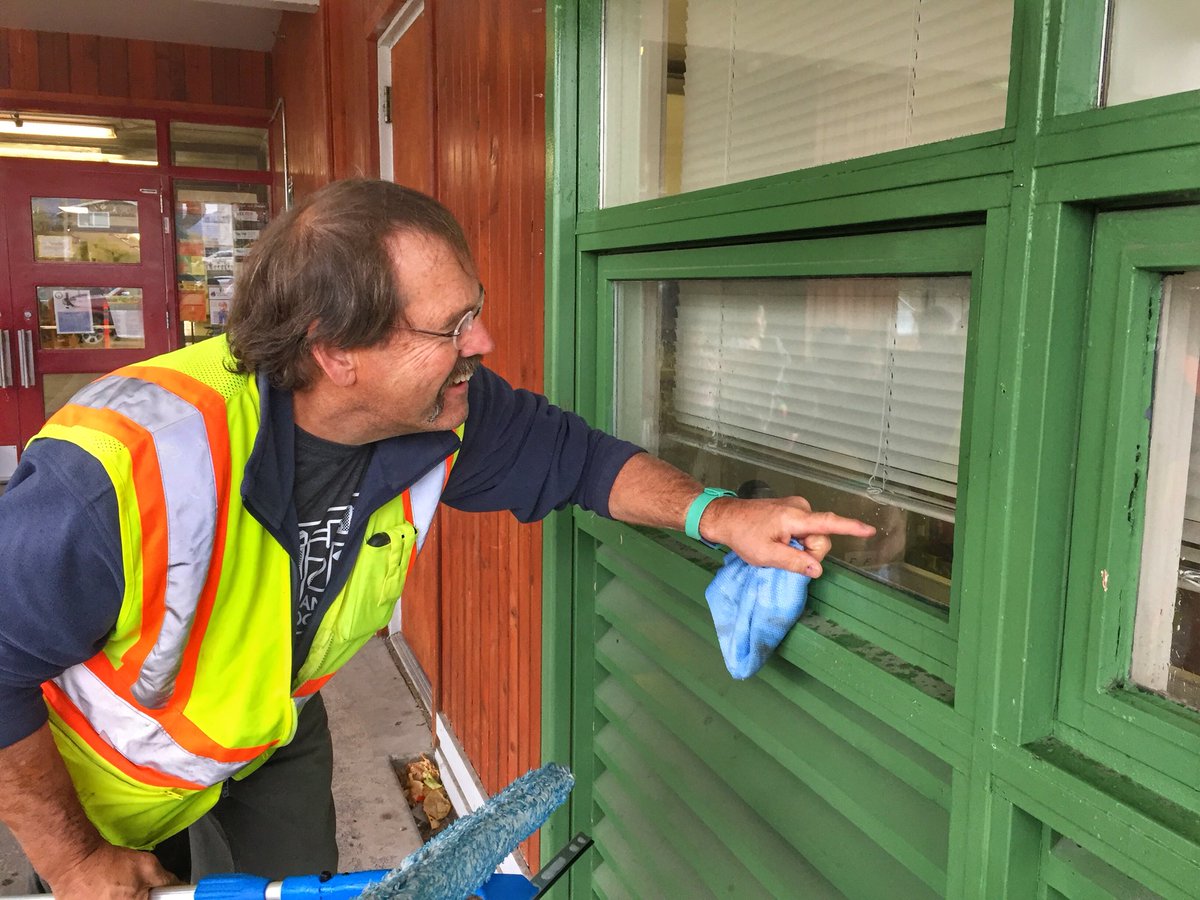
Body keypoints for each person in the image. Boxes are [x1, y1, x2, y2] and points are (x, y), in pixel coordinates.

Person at [0, 179, 875, 899]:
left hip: (268, 737)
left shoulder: (443, 411)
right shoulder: (126, 470)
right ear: (336, 349)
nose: (483, 343)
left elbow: (576, 458)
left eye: (476, 312)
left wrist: (718, 514)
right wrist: (73, 859)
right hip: (89, 782)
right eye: (448, 328)